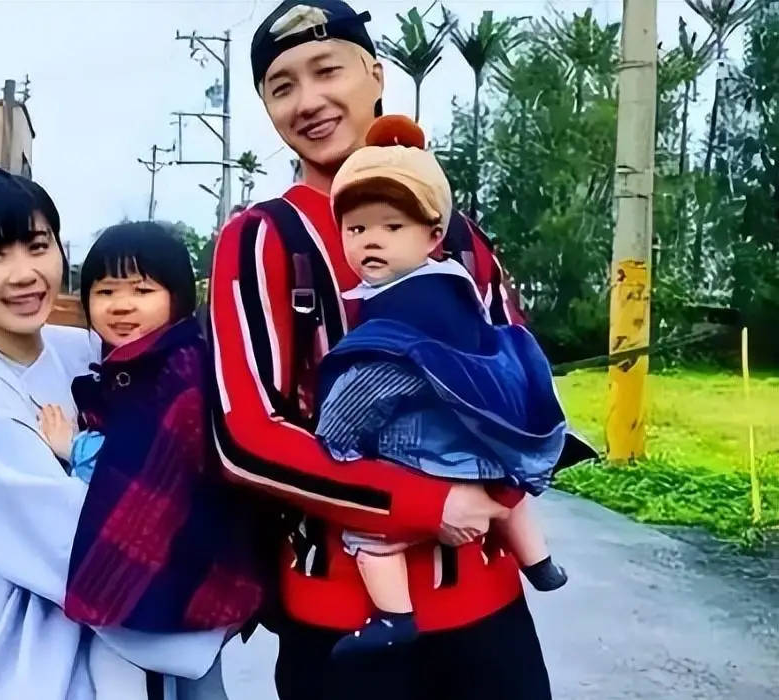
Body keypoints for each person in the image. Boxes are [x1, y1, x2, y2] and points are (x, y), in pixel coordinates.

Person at [207, 2, 567, 698]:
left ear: (374, 75)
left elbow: (522, 390)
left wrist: (495, 493)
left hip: (489, 609)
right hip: (341, 623)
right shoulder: (261, 239)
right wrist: (425, 502)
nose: (308, 101)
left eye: (327, 71)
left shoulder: (455, 235)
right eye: (282, 87)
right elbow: (243, 437)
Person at [0, 168, 247, 699]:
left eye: (37, 246)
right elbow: (76, 541)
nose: (25, 274)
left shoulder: (82, 349)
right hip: (36, 666)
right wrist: (212, 581)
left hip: (127, 658)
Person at [315, 115, 569, 658]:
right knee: (510, 499)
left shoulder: (401, 313)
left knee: (368, 539)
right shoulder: (457, 286)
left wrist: (334, 437)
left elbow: (368, 388)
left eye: (392, 227)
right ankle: (540, 563)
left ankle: (394, 616)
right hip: (487, 451)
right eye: (356, 230)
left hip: (427, 462)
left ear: (433, 236)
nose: (371, 241)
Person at [37, 222, 263, 696]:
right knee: (191, 679)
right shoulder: (148, 362)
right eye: (105, 291)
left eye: (142, 290)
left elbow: (145, 466)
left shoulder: (178, 373)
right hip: (198, 567)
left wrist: (74, 449)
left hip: (187, 561)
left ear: (178, 297)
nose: (121, 305)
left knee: (152, 670)